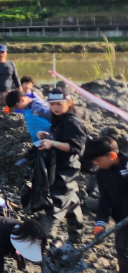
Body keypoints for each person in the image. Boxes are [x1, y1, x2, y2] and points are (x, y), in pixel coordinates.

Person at [36, 89, 87, 243]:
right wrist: (48, 137)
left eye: (59, 104)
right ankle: (76, 238)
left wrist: (53, 143)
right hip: (60, 166)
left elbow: (76, 147)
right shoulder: (59, 119)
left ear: (69, 103)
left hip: (67, 169)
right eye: (52, 104)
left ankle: (42, 243)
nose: (55, 107)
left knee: (55, 206)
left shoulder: (72, 121)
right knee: (71, 202)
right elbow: (63, 139)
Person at [84, 136, 128, 273]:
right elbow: (104, 200)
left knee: (125, 250)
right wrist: (100, 224)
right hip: (122, 218)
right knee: (122, 250)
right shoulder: (102, 173)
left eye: (97, 160)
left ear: (112, 155)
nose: (95, 164)